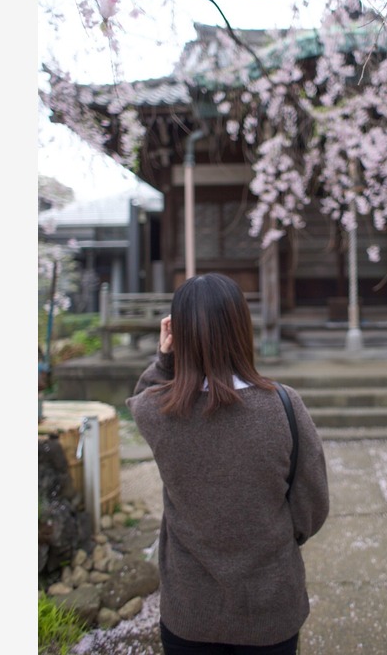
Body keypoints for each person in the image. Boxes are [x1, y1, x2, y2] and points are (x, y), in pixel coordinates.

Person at [126, 273, 329, 654]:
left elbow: (142, 396)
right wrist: (277, 540)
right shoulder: (283, 406)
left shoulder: (158, 412)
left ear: (178, 335)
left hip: (189, 609)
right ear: (241, 328)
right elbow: (312, 506)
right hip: (269, 606)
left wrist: (165, 360)